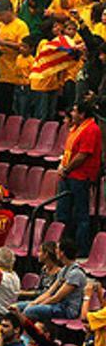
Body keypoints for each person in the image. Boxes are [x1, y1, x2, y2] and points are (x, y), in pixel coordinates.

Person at [56, 99, 102, 255]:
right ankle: (62, 248)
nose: (72, 114)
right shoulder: (76, 128)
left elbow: (83, 155)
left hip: (80, 177)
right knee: (63, 213)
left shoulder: (91, 129)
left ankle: (81, 250)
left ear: (82, 114)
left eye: (75, 111)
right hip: (69, 175)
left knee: (80, 215)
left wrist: (67, 169)